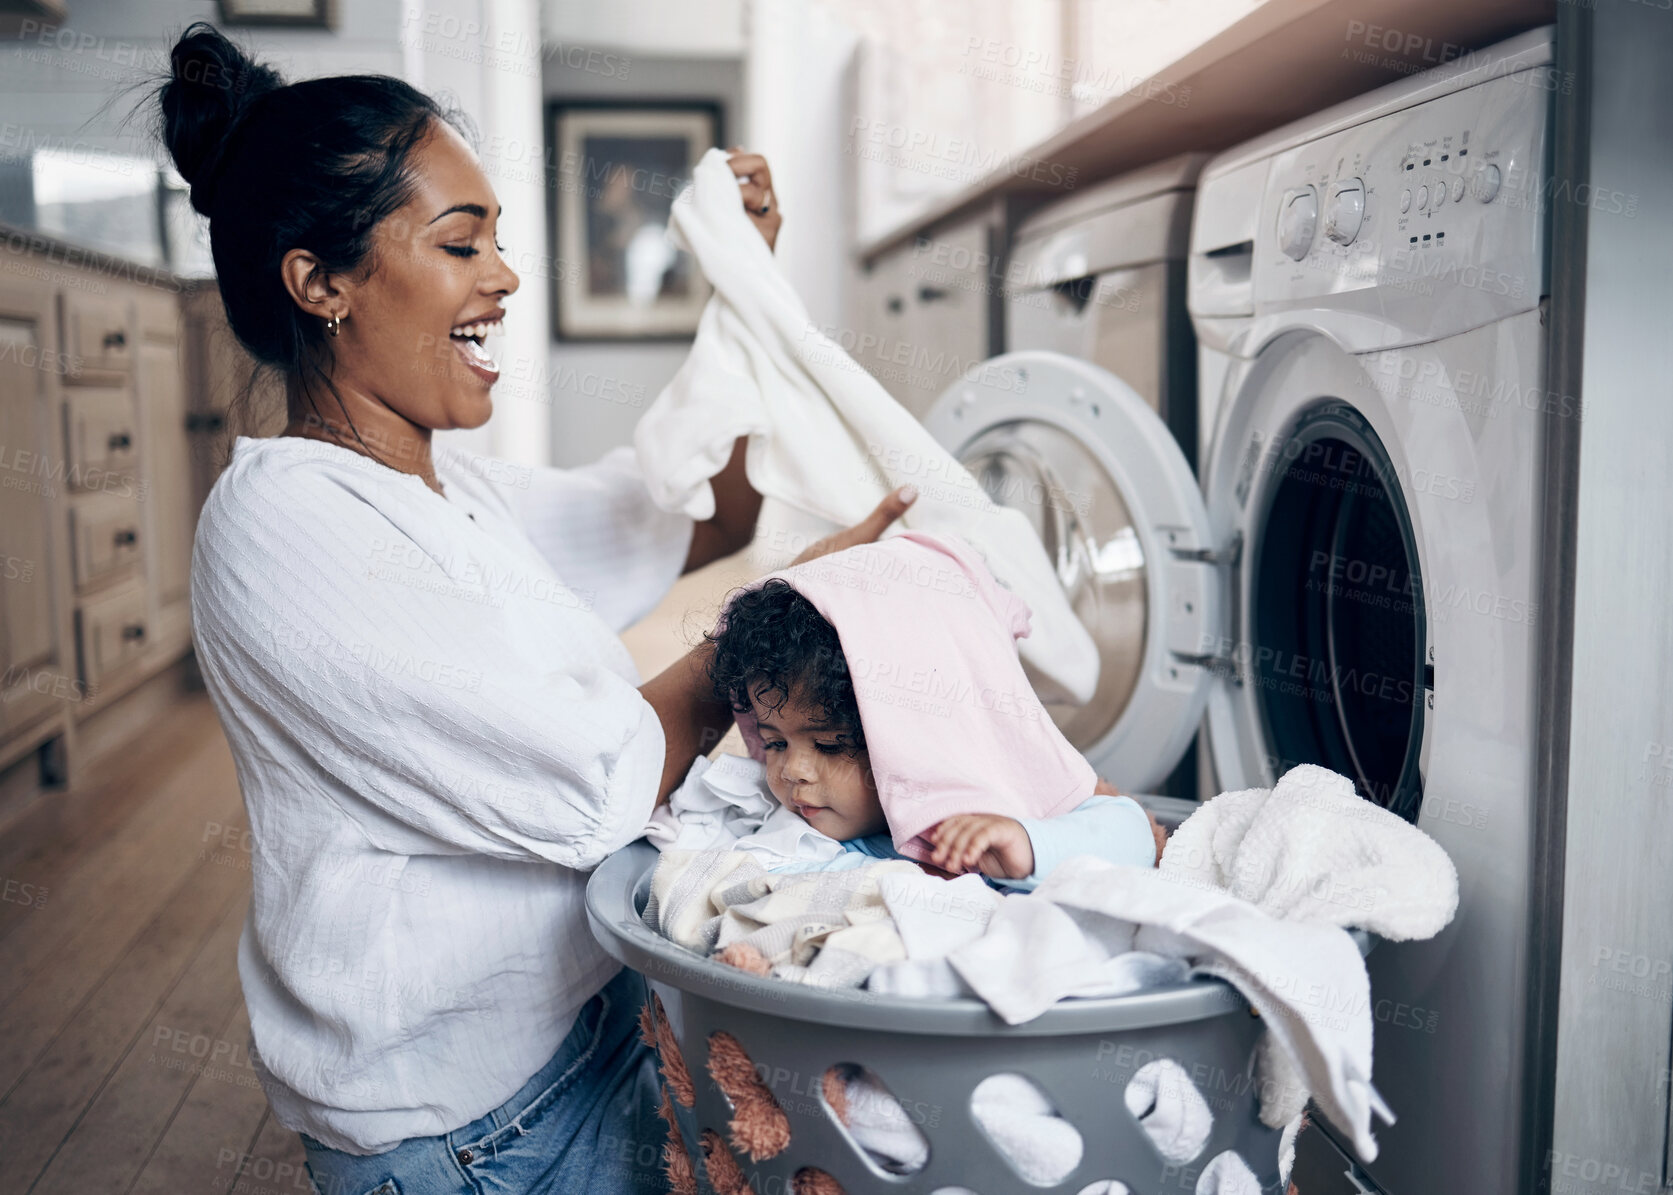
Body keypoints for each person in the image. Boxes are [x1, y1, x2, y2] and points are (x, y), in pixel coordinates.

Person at [155, 22, 913, 1195]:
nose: (504, 276)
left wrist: (743, 287)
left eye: (499, 240)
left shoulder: (446, 486)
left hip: (593, 1039)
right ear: (321, 282)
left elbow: (685, 511)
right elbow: (596, 781)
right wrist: (775, 626)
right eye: (462, 244)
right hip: (472, 1134)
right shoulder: (285, 528)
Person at [704, 550, 1165, 888]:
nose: (791, 772)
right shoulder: (797, 842)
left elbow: (1134, 836)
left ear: (920, 738)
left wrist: (1028, 844)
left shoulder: (1000, 803)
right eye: (776, 743)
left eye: (828, 744)